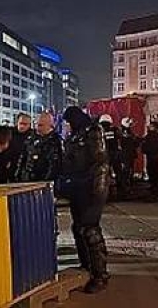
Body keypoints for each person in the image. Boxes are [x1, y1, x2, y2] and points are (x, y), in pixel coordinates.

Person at [61, 106, 110, 294]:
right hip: (77, 188)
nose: (66, 124)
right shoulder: (74, 135)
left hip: (92, 189)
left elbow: (100, 162)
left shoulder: (93, 131)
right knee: (78, 228)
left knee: (90, 229)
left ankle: (100, 275)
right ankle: (86, 266)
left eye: (68, 120)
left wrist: (97, 189)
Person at [16, 113, 63, 183]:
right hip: (26, 181)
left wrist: (45, 183)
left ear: (50, 125)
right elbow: (23, 157)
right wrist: (17, 175)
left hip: (42, 183)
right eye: (36, 124)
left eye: (40, 125)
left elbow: (54, 167)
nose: (37, 128)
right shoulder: (31, 138)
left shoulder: (55, 141)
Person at [142, 121, 158, 199]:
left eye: (151, 126)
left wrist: (148, 150)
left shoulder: (150, 136)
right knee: (155, 171)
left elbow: (144, 147)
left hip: (152, 156)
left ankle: (155, 186)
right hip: (154, 156)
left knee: (152, 171)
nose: (149, 127)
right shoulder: (157, 136)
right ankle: (156, 186)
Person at [99, 114, 123, 194]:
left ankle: (107, 191)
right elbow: (120, 138)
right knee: (118, 171)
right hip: (115, 154)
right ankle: (121, 189)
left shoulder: (100, 131)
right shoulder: (115, 130)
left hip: (105, 154)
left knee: (105, 173)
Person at [10, 113, 34, 182]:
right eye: (21, 123)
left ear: (29, 125)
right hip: (11, 166)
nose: (22, 126)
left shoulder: (33, 136)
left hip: (25, 169)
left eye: (25, 124)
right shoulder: (10, 133)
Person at [119, 117, 139, 195]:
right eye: (130, 124)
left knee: (129, 170)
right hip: (126, 154)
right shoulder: (124, 132)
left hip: (129, 154)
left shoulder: (126, 132)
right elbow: (129, 143)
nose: (131, 125)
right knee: (126, 171)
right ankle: (125, 186)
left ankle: (127, 185)